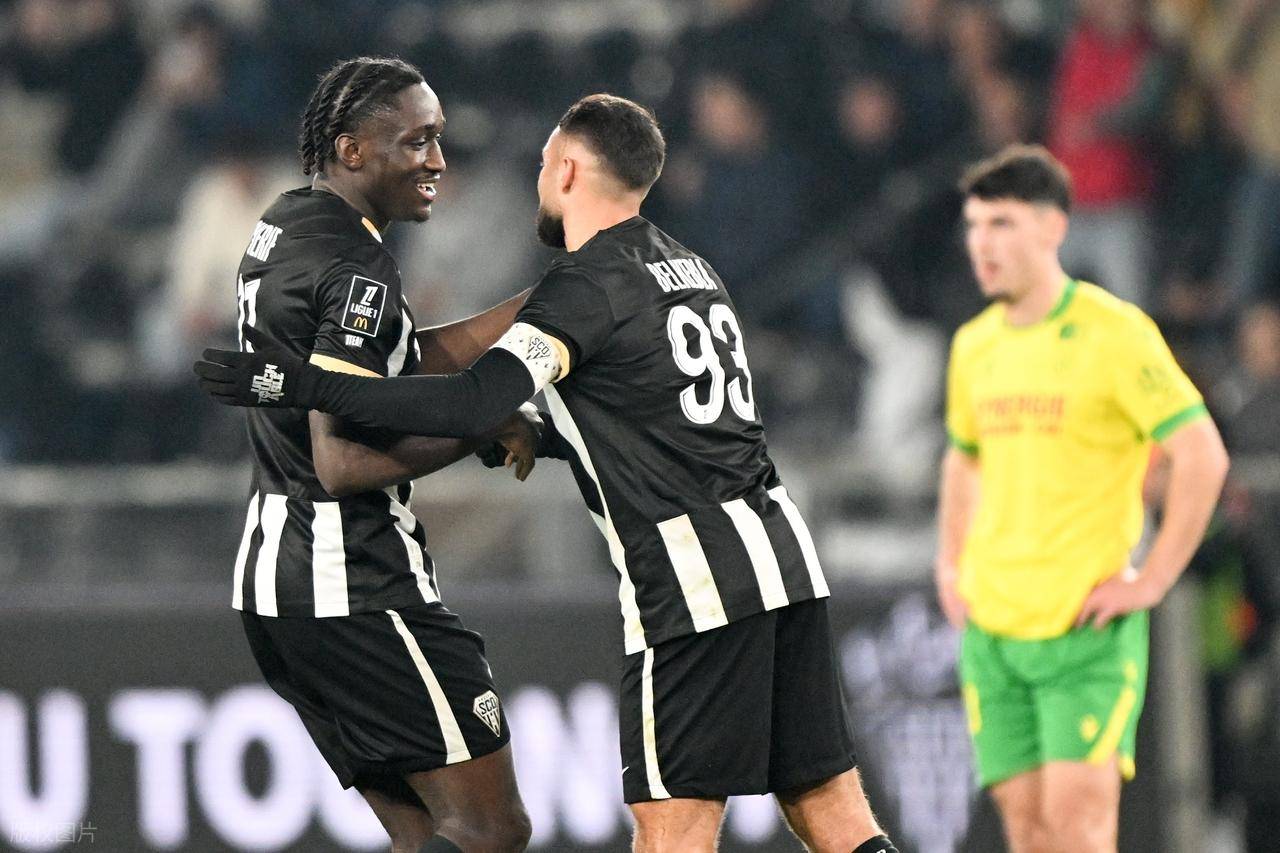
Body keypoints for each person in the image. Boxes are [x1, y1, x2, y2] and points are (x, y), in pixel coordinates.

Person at [196, 93, 900, 853]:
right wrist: (539, 431)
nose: (537, 180)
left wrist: (301, 382)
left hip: (696, 582)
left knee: (671, 826)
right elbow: (656, 421)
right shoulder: (689, 267)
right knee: (833, 810)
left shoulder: (584, 284)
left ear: (567, 169)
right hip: (782, 560)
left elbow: (473, 400)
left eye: (542, 164)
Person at [215, 56, 539, 853]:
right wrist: (481, 426)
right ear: (352, 150)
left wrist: (536, 312)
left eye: (439, 139)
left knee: (421, 834)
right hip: (355, 581)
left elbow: (384, 368)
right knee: (492, 828)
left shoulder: (289, 220)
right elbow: (341, 460)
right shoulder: (358, 267)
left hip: (277, 579)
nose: (437, 161)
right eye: (416, 141)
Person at [935, 144, 1230, 852]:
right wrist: (949, 563)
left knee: (1078, 827)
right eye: (974, 226)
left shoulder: (1115, 333)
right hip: (994, 630)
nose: (982, 244)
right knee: (1027, 828)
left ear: (1053, 228)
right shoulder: (974, 345)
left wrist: (1153, 578)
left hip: (1082, 630)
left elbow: (1203, 454)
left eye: (1002, 223)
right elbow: (963, 457)